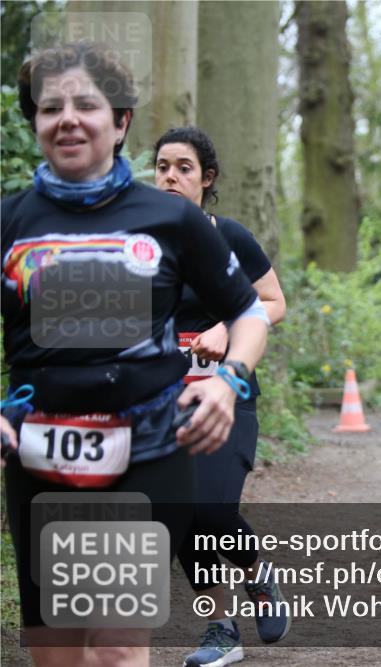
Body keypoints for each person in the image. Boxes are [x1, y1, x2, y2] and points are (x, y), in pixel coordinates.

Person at [1, 43, 270, 667]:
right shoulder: (13, 221)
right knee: (59, 649)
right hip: (40, 454)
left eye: (86, 104)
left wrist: (227, 380)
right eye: (49, 107)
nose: (67, 117)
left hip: (146, 447)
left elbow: (251, 311)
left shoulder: (170, 219)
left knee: (119, 645)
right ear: (34, 123)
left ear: (120, 121)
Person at [153, 127, 289, 667]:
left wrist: (224, 331)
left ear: (205, 179)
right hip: (161, 403)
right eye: (162, 166)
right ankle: (220, 629)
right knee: (182, 514)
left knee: (211, 506)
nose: (170, 176)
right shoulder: (138, 244)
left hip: (228, 394)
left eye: (183, 168)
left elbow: (273, 303)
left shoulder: (228, 236)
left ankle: (256, 573)